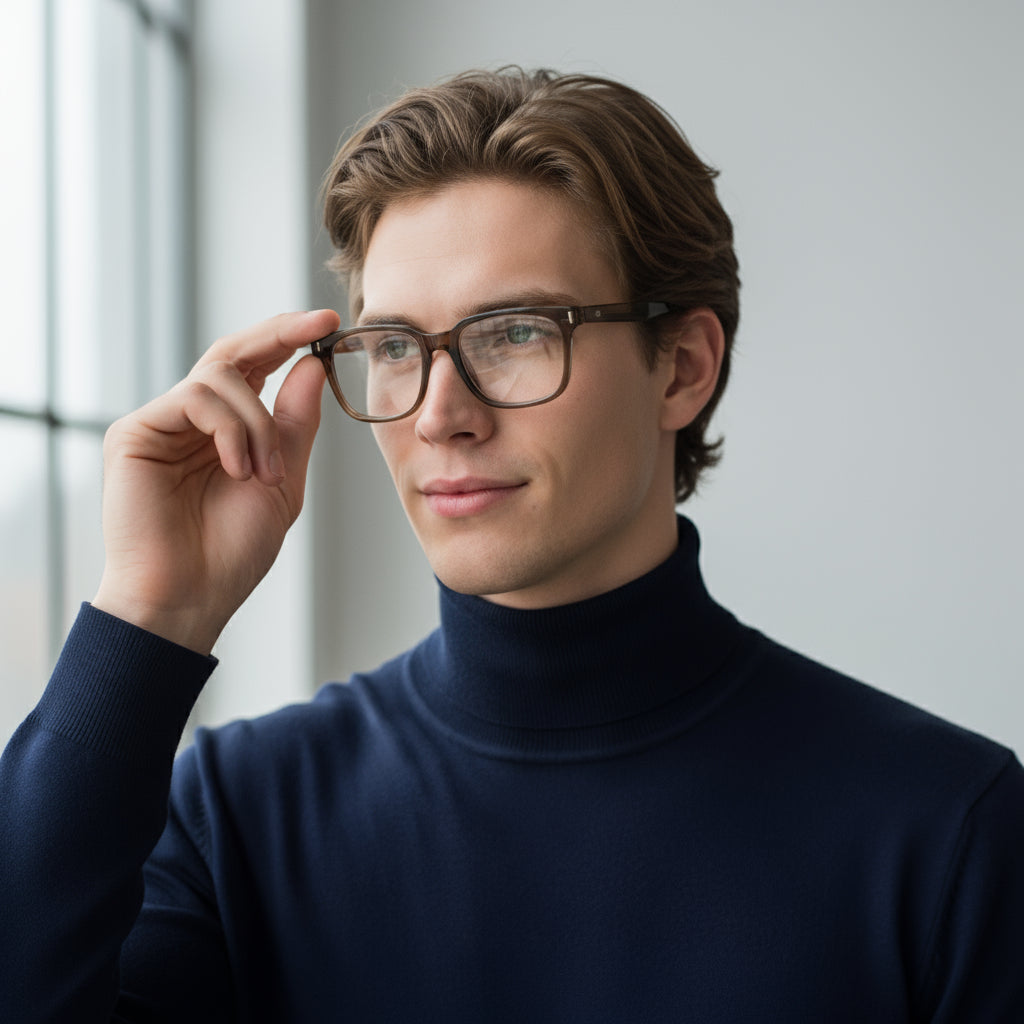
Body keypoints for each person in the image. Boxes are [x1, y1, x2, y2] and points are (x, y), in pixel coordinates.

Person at [2, 67, 1022, 1023]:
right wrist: (150, 614)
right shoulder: (237, 817)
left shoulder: (947, 831)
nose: (441, 414)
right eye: (397, 347)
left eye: (516, 331)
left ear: (682, 368)